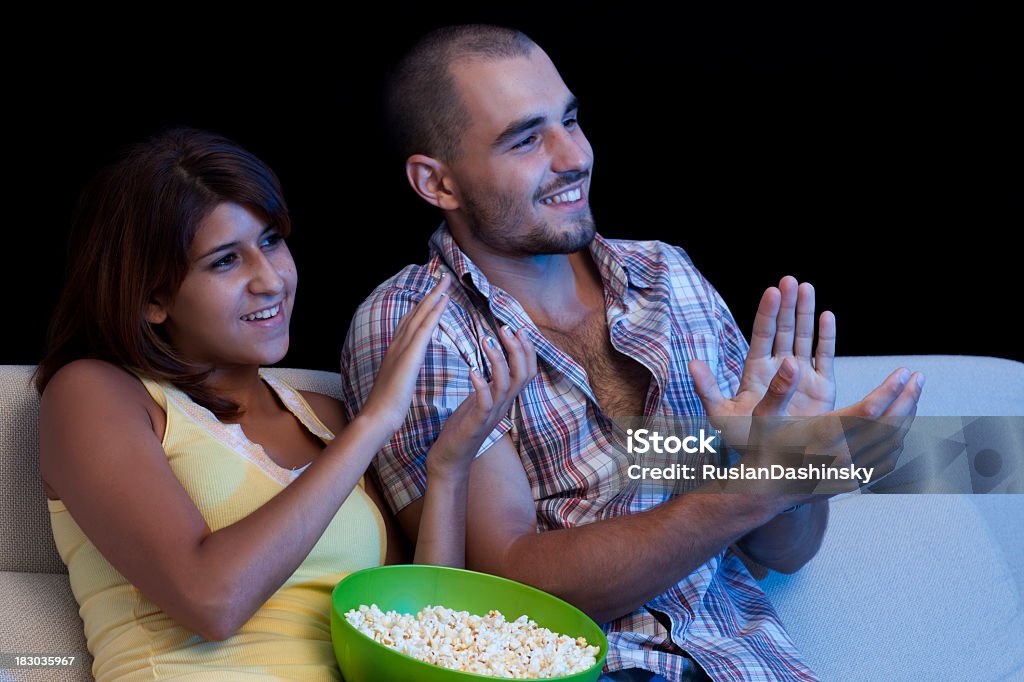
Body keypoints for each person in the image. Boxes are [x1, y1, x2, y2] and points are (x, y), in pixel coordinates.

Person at [339, 25, 925, 682]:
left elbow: (783, 552)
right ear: (436, 182)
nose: (574, 157)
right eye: (527, 138)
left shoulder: (667, 277)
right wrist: (748, 492)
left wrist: (784, 466)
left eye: (571, 121)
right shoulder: (418, 325)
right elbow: (504, 580)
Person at [35, 127, 535, 681]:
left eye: (271, 241)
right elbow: (211, 602)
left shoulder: (325, 419)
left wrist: (447, 471)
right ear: (152, 297)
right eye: (226, 261)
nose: (270, 280)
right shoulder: (94, 394)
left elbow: (417, 637)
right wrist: (374, 424)